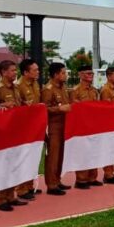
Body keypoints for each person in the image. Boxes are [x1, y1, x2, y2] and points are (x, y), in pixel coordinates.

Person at [0, 60, 28, 212]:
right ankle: (1, 199)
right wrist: (1, 106)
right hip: (2, 131)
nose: (15, 73)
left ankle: (11, 195)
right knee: (2, 165)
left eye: (15, 70)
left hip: (15, 131)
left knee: (13, 164)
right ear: (3, 72)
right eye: (12, 70)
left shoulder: (16, 88)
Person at [68, 65, 102, 189]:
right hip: (81, 126)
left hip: (93, 125)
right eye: (88, 73)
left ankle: (92, 177)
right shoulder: (75, 91)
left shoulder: (94, 91)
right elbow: (74, 108)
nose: (90, 76)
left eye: (91, 74)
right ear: (80, 75)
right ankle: (81, 179)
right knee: (82, 152)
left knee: (93, 151)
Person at [41, 62, 72, 196]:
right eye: (63, 73)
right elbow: (43, 109)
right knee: (53, 155)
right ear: (55, 75)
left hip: (64, 125)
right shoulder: (48, 89)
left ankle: (57, 180)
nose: (66, 75)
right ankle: (51, 184)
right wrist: (59, 108)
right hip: (53, 126)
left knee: (61, 155)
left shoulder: (63, 88)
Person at [15, 59, 42, 200]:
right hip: (23, 126)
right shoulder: (18, 86)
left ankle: (30, 185)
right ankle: (21, 189)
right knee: (23, 157)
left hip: (35, 125)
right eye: (35, 70)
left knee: (33, 156)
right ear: (26, 72)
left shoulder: (35, 84)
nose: (38, 72)